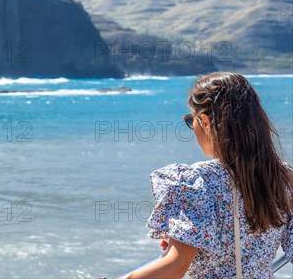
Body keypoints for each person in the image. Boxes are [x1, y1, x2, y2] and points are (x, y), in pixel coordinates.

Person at [125, 72, 293, 278]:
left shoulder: (198, 182)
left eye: (190, 120)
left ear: (204, 121)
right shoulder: (283, 178)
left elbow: (175, 267)